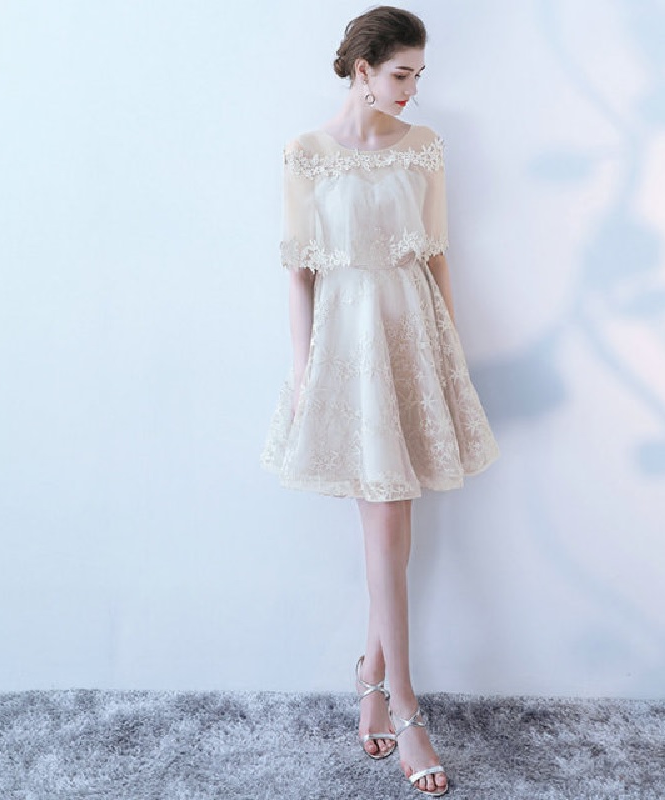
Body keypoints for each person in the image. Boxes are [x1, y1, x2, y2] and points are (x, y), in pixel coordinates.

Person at [261, 6, 499, 796]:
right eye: (401, 74)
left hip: (413, 342)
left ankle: (371, 675)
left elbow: (437, 257)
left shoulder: (425, 146)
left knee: (395, 528)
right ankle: (405, 706)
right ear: (361, 69)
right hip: (348, 349)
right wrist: (304, 374)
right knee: (387, 525)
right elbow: (298, 271)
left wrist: (451, 356)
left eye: (418, 76)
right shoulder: (305, 153)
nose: (411, 90)